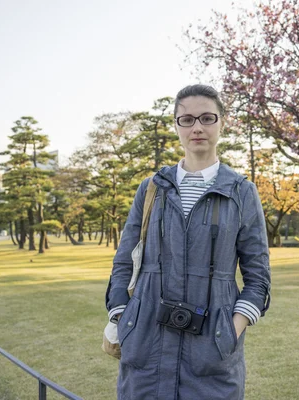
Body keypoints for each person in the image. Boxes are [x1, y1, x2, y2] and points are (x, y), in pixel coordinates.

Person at [105, 84, 271, 399]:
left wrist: (230, 332)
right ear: (177, 126)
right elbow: (124, 259)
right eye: (187, 119)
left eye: (207, 118)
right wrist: (123, 318)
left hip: (213, 352)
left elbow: (258, 275)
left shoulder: (241, 192)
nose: (197, 127)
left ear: (223, 122)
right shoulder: (152, 188)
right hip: (146, 346)